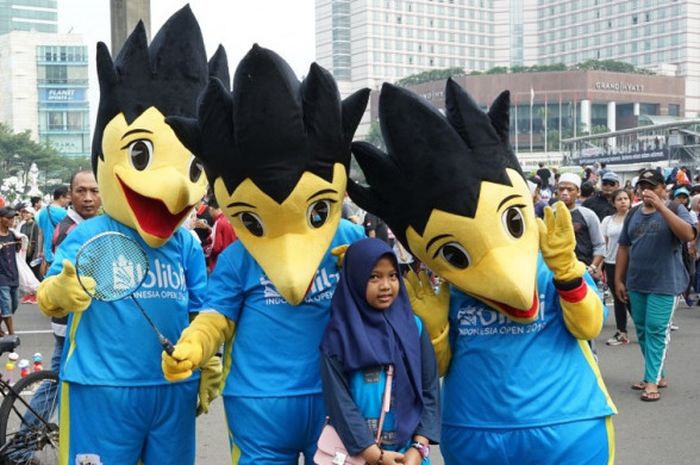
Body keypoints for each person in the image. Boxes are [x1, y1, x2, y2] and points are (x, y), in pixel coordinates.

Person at [349, 81, 616, 464]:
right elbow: (438, 367)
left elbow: (589, 326)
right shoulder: (449, 291)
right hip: (476, 430)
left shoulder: (549, 265)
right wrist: (435, 329)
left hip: (567, 420)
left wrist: (567, 271)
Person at [162, 45, 370, 464]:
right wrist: (196, 344)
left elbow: (389, 300)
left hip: (336, 399)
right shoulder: (241, 256)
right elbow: (217, 316)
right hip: (259, 402)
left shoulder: (349, 239)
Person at [35, 7, 221, 464]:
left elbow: (201, 309)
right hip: (101, 389)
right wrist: (61, 289)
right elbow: (49, 298)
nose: (177, 185)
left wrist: (208, 360)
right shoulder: (90, 234)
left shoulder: (187, 243)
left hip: (171, 389)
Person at [320, 239, 439, 465]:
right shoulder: (338, 335)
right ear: (355, 278)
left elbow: (429, 390)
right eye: (374, 277)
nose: (386, 285)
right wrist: (374, 454)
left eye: (392, 275)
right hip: (359, 455)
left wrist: (418, 448)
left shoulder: (414, 327)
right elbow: (339, 402)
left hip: (408, 455)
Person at [615, 168, 696, 402]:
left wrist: (661, 207)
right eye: (642, 186)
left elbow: (689, 235)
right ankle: (657, 374)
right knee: (641, 329)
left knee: (656, 330)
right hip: (637, 282)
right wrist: (619, 280)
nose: (646, 191)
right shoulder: (632, 214)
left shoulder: (674, 208)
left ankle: (651, 382)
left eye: (651, 186)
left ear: (663, 189)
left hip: (666, 282)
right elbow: (624, 247)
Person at [557, 173, 606, 279]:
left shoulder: (588, 215)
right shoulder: (551, 216)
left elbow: (600, 245)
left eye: (570, 189)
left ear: (578, 192)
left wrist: (592, 267)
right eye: (561, 189)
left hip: (584, 272)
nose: (565, 193)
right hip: (558, 273)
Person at [601, 189, 632, 346]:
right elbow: (603, 243)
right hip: (611, 263)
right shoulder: (608, 220)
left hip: (631, 264)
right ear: (614, 203)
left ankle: (644, 330)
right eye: (619, 199)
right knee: (619, 298)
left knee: (632, 298)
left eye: (626, 198)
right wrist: (600, 266)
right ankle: (622, 332)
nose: (623, 201)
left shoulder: (634, 218)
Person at [35, 186, 70, 275]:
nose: (69, 201)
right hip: (60, 253)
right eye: (68, 198)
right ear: (61, 197)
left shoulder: (42, 212)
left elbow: (40, 233)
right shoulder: (64, 213)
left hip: (47, 253)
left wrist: (40, 251)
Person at [0, 207, 21, 335]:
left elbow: (18, 252)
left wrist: (20, 244)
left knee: (14, 305)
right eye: (8, 218)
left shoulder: (13, 234)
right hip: (1, 277)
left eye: (12, 218)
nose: (11, 220)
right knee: (6, 305)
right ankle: (12, 334)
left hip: (13, 274)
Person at [203, 197, 236, 272]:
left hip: (220, 264)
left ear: (211, 209)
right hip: (233, 261)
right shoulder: (231, 219)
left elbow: (216, 247)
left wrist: (204, 249)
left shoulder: (219, 222)